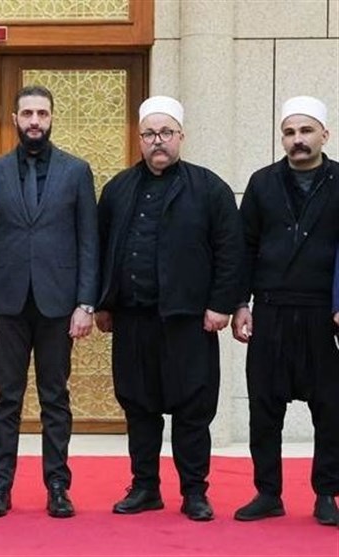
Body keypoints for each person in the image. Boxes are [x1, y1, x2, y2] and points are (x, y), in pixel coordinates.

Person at [96, 96, 243, 522]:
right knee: (138, 406)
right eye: (149, 134)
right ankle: (145, 487)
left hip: (189, 321)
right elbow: (101, 249)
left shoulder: (210, 188)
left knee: (192, 409)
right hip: (132, 319)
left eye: (165, 133)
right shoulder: (118, 189)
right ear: (139, 138)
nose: (157, 141)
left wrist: (220, 305)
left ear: (181, 136)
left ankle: (194, 491)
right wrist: (104, 303)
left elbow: (230, 252)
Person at [0, 85, 98, 519]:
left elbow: (89, 241)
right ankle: (0, 487)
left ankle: (58, 487)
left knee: (54, 399)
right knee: (7, 399)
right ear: (14, 119)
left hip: (58, 304)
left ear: (52, 117)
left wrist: (85, 303)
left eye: (42, 113)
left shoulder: (76, 171)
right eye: (27, 114)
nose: (35, 121)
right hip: (6, 305)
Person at [232, 96, 339, 527]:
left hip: (323, 315)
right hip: (270, 312)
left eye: (306, 131)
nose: (298, 140)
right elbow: (244, 248)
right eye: (289, 132)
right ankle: (268, 493)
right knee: (264, 408)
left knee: (330, 409)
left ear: (324, 135)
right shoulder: (262, 183)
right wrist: (240, 304)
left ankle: (327, 493)